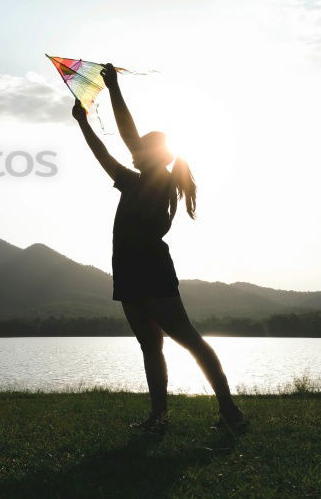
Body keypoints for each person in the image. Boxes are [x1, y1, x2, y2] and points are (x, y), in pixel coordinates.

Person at [72, 64, 246, 432]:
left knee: (189, 340)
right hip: (129, 270)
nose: (134, 152)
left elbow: (125, 132)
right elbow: (102, 152)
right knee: (150, 346)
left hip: (151, 270)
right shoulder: (131, 181)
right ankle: (158, 417)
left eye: (142, 149)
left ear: (156, 154)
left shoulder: (162, 183)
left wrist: (114, 88)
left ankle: (229, 410)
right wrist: (83, 123)